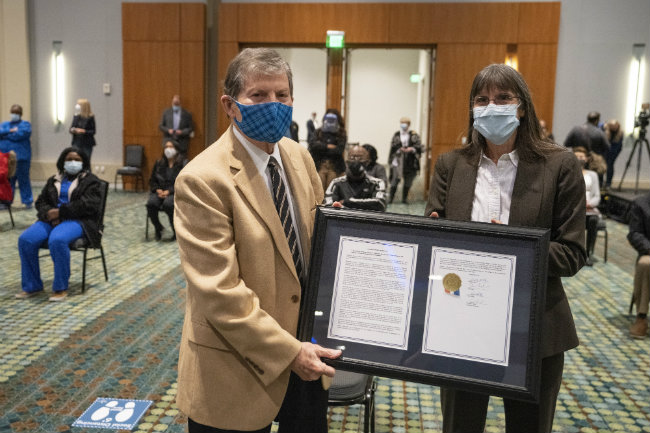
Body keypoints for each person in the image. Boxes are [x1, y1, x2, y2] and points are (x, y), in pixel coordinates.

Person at [174, 48, 341, 433]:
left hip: (306, 353)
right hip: (235, 365)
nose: (273, 105)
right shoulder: (202, 179)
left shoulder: (299, 157)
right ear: (231, 106)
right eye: (259, 95)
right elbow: (219, 293)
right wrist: (288, 350)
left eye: (281, 95)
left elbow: (315, 248)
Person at [425, 64, 586, 433]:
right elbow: (434, 237)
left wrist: (515, 247)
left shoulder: (559, 165)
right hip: (461, 323)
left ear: (522, 107)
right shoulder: (451, 165)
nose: (491, 106)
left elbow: (573, 253)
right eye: (481, 100)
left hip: (534, 327)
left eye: (503, 98)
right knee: (459, 426)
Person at [15, 147, 102, 302]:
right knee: (26, 240)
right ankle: (32, 285)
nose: (73, 162)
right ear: (63, 162)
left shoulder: (91, 181)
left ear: (84, 162)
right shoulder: (54, 179)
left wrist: (61, 212)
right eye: (69, 159)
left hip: (79, 221)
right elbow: (41, 201)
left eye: (77, 160)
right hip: (51, 220)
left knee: (57, 240)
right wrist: (49, 213)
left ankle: (60, 287)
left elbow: (88, 205)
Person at [324, 144, 386, 212]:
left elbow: (380, 204)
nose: (356, 161)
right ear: (347, 162)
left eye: (360, 158)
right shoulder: (336, 183)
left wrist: (347, 202)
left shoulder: (377, 183)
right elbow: (329, 205)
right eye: (352, 157)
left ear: (367, 162)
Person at [147, 140, 185, 241]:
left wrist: (169, 192)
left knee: (168, 205)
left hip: (175, 193)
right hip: (160, 191)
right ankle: (158, 228)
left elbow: (183, 182)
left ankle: (175, 231)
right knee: (151, 204)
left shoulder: (182, 164)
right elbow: (152, 180)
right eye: (166, 147)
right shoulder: (159, 163)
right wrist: (157, 189)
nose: (168, 149)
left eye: (171, 147)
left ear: (176, 149)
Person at [0, 104, 33, 208]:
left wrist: (5, 136)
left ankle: (27, 201)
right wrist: (9, 131)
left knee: (24, 180)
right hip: (6, 159)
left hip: (22, 158)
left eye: (17, 113)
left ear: (21, 114)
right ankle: (7, 202)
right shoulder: (5, 124)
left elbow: (21, 135)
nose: (14, 114)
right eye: (13, 112)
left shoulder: (25, 124)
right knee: (8, 181)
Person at [627, 192, 650, 339]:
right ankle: (641, 317)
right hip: (649, 252)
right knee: (644, 264)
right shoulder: (641, 203)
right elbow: (635, 234)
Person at [573, 147, 601, 266]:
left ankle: (588, 253)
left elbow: (597, 196)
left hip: (589, 209)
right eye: (577, 156)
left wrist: (589, 204)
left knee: (594, 220)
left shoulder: (593, 175)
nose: (580, 159)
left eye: (582, 156)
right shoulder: (568, 172)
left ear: (587, 159)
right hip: (573, 209)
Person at [308, 109, 347, 192]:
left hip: (334, 167)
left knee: (331, 191)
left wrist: (321, 147)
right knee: (318, 191)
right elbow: (313, 146)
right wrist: (327, 146)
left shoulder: (341, 133)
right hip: (319, 165)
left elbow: (339, 151)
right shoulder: (318, 132)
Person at [388, 116, 422, 203]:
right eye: (402, 123)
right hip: (398, 161)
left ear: (409, 125)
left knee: (408, 180)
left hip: (410, 162)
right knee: (395, 180)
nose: (403, 125)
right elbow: (393, 146)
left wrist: (411, 149)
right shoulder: (396, 134)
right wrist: (400, 149)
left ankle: (404, 199)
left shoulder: (414, 135)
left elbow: (419, 146)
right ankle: (391, 198)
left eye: (405, 123)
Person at [603, 119, 624, 188]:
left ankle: (608, 183)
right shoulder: (605, 130)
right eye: (612, 126)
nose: (613, 128)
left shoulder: (620, 133)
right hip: (605, 150)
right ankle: (602, 182)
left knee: (610, 165)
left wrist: (611, 156)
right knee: (603, 165)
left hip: (615, 150)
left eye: (615, 126)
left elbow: (617, 146)